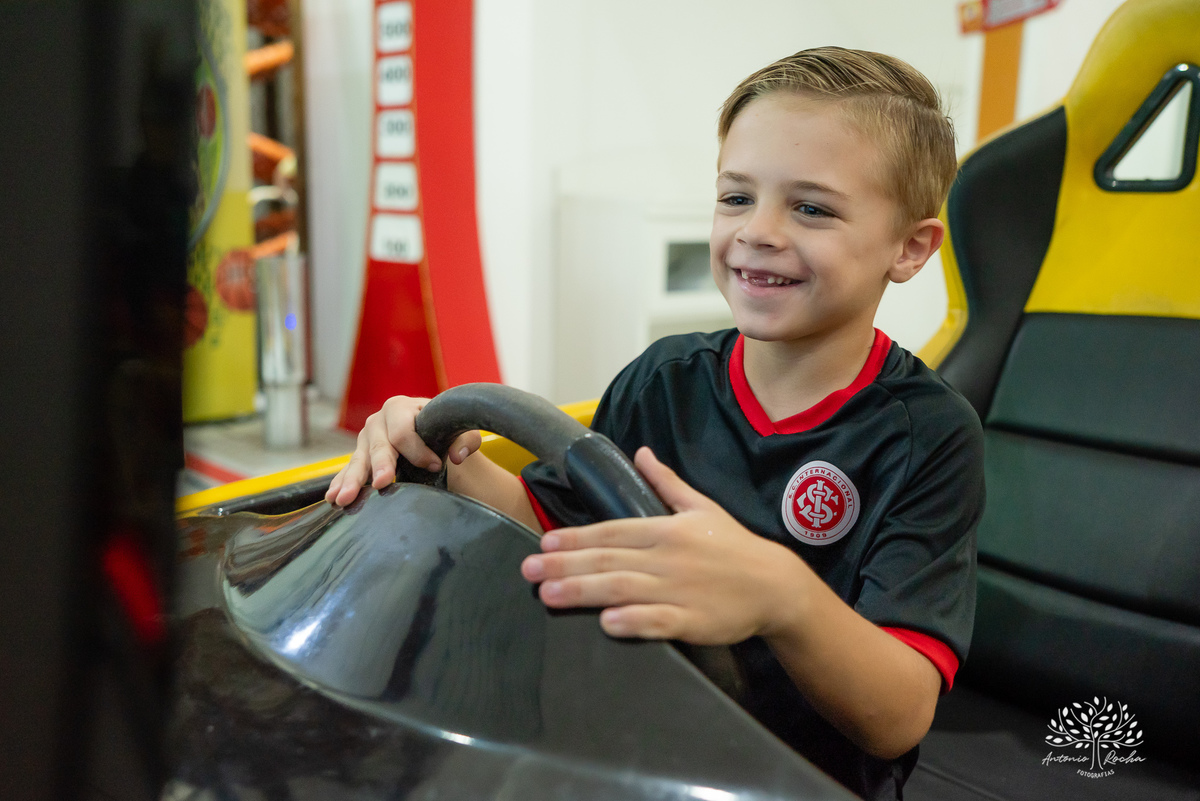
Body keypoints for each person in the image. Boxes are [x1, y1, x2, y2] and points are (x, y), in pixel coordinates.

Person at [326, 46, 984, 801]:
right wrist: (437, 448)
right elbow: (555, 528)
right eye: (737, 197)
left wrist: (782, 594)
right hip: (630, 751)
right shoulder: (662, 379)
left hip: (797, 781)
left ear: (910, 248)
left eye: (811, 207)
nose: (758, 231)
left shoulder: (930, 437)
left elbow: (898, 715)